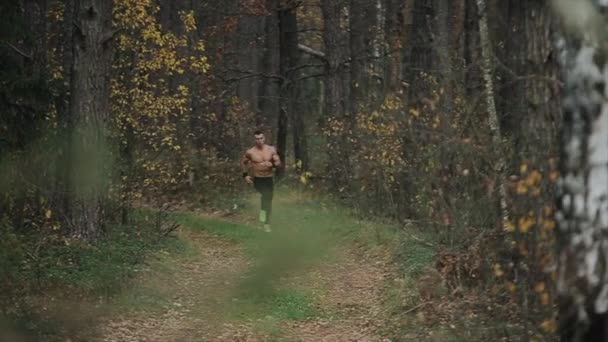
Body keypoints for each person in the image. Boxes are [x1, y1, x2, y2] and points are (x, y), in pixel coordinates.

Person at [240, 130, 281, 232]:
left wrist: (273, 164)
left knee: (268, 199)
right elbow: (243, 162)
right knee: (266, 197)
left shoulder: (271, 149)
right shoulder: (250, 152)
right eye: (257, 139)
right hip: (258, 179)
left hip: (269, 178)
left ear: (264, 138)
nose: (259, 141)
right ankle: (265, 222)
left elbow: (278, 161)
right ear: (255, 140)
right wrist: (245, 175)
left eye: (261, 138)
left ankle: (264, 220)